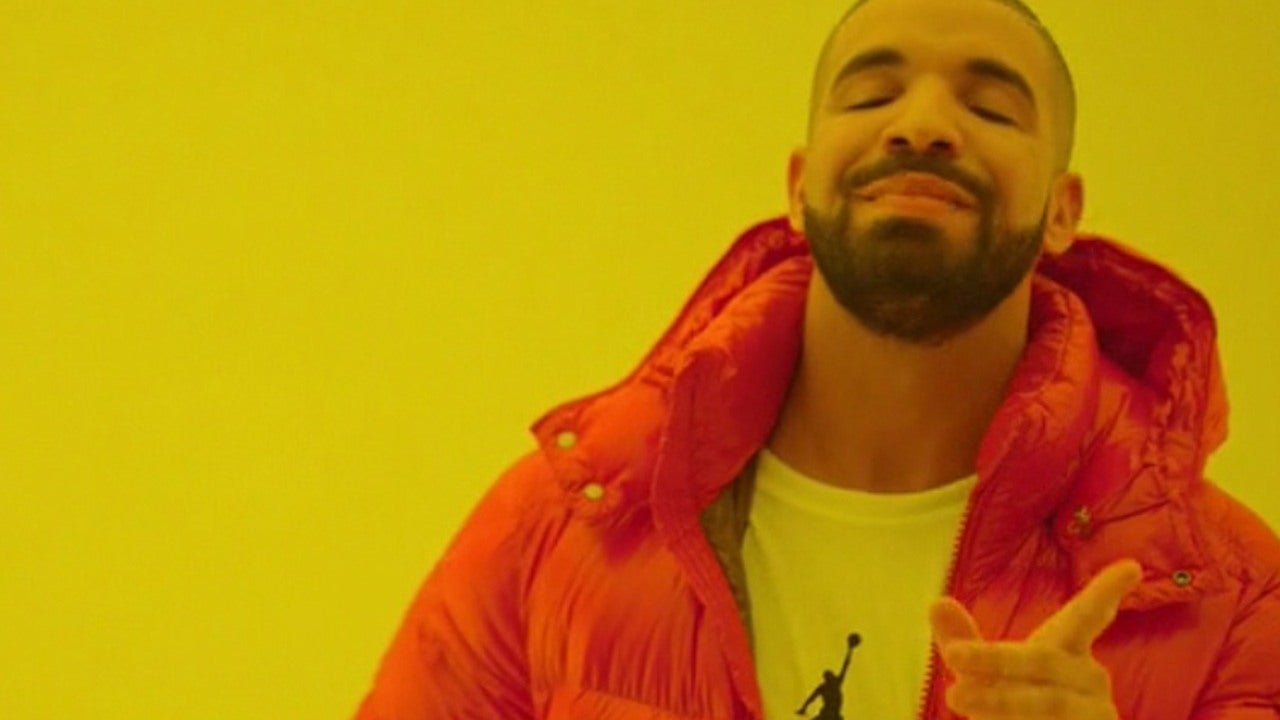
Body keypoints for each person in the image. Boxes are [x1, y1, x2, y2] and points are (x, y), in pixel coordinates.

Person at [356, 0, 1280, 717]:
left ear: (1062, 212)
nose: (923, 125)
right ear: (798, 190)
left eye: (992, 106)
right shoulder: (560, 525)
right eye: (872, 95)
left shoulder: (1233, 593)